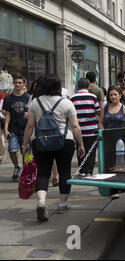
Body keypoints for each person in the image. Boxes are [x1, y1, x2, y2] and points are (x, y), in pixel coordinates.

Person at [22, 75, 85, 222]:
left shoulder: (35, 103)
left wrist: (25, 144)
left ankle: (41, 202)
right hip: (65, 141)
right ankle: (62, 203)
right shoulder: (67, 103)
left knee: (43, 173)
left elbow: (30, 126)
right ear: (58, 86)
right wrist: (81, 144)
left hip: (40, 142)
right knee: (64, 172)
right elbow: (75, 126)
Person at [2, 74, 30, 181]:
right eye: (16, 82)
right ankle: (16, 167)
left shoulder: (28, 98)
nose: (17, 84)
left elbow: (32, 113)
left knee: (25, 152)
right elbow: (7, 114)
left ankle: (25, 170)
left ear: (24, 84)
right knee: (12, 150)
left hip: (26, 129)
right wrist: (5, 129)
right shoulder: (8, 98)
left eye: (20, 82)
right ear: (13, 83)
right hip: (13, 129)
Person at [71, 78, 101, 175]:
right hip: (91, 129)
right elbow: (97, 111)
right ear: (89, 87)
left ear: (77, 87)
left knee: (80, 149)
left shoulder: (73, 98)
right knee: (91, 151)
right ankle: (89, 171)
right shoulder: (93, 97)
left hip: (78, 130)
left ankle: (82, 170)